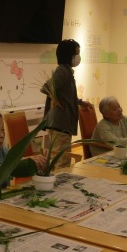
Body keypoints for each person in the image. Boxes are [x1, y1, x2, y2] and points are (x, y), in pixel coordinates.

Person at [41, 38, 93, 169]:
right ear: (68, 55)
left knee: (59, 160)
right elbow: (47, 87)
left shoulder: (66, 71)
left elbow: (67, 95)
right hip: (60, 123)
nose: (78, 57)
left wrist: (80, 102)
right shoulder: (62, 71)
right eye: (76, 53)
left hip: (62, 123)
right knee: (62, 162)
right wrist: (55, 100)